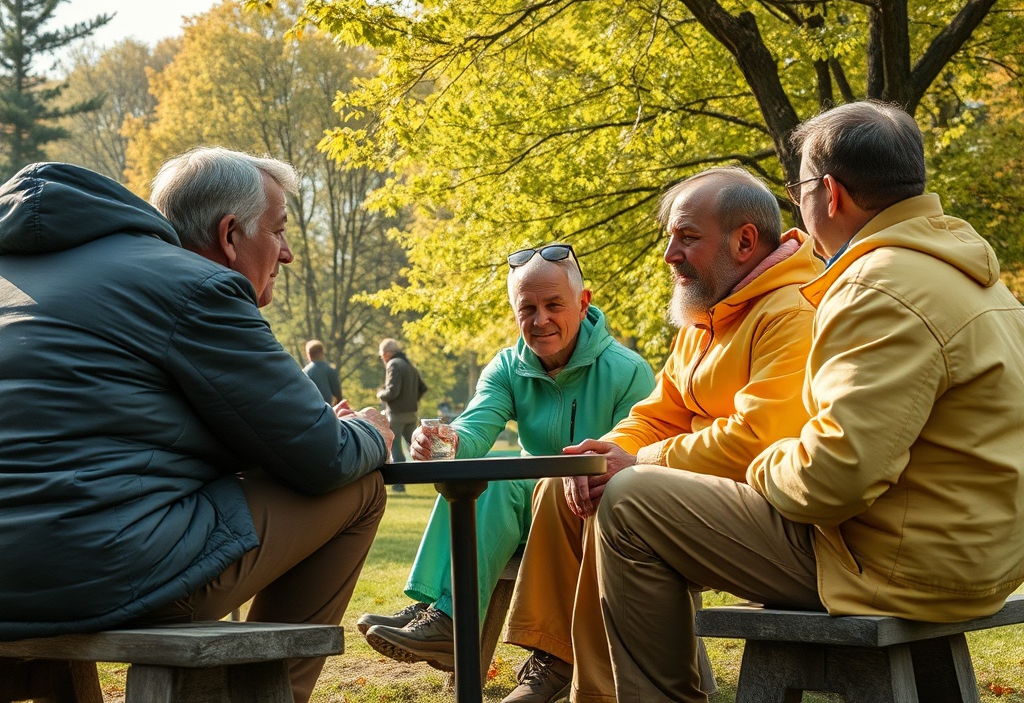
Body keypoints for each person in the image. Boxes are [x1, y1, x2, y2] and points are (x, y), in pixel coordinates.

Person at [595, 101, 1024, 703]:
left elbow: (832, 481)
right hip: (982, 559)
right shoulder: (975, 276)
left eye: (798, 189)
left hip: (896, 564)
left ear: (830, 192)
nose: (796, 208)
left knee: (630, 499)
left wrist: (765, 460)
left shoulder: (878, 286)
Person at [0, 149, 392, 703]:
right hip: (102, 574)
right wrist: (373, 431)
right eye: (279, 231)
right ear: (229, 235)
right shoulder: (196, 285)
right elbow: (322, 455)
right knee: (358, 485)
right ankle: (263, 693)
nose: (288, 253)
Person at [501, 168, 822, 703]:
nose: (670, 254)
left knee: (622, 495)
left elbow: (761, 438)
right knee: (570, 480)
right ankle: (555, 658)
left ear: (745, 241)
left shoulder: (790, 311)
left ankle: (601, 689)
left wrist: (641, 463)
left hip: (778, 512)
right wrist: (610, 451)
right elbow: (659, 411)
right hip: (709, 499)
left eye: (687, 237)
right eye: (670, 237)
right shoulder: (707, 318)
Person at [358, 244, 656, 674]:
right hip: (529, 513)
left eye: (554, 304)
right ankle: (440, 615)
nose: (541, 320)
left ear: (583, 301)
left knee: (501, 482)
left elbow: (634, 453)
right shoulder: (507, 367)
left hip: (596, 512)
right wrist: (447, 441)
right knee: (475, 477)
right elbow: (475, 428)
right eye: (527, 308)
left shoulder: (627, 370)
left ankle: (445, 617)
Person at [377, 337, 428, 492]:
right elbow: (422, 388)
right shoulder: (408, 365)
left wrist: (381, 394)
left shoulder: (393, 365)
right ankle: (426, 475)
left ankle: (399, 484)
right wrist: (412, 399)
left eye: (381, 355)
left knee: (395, 447)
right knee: (417, 445)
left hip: (397, 414)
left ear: (386, 353)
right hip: (411, 413)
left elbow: (393, 392)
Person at [304, 339, 342, 404]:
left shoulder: (304, 372)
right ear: (322, 353)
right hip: (326, 407)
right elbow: (337, 394)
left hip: (309, 408)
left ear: (309, 354)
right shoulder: (329, 369)